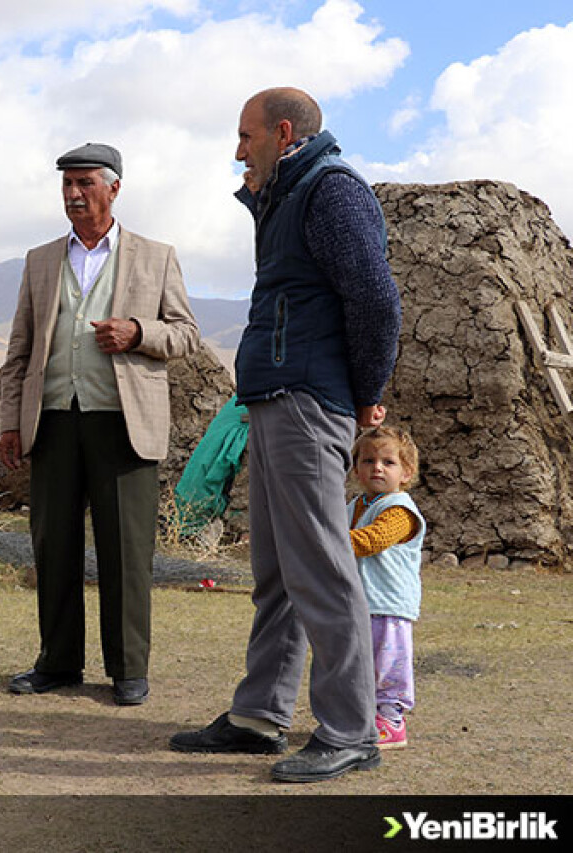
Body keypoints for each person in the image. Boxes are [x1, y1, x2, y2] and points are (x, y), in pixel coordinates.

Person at [169, 88, 403, 783]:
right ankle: (259, 716)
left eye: (245, 136)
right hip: (273, 398)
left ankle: (350, 729)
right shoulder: (287, 196)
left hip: (309, 399)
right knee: (276, 570)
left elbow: (376, 297)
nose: (238, 150)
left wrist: (365, 394)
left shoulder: (331, 191)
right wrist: (256, 197)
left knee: (321, 568)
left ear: (280, 131)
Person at [0, 143, 199, 706]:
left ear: (114, 187)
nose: (73, 194)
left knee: (126, 551)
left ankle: (128, 667)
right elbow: (19, 351)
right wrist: (10, 423)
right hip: (54, 419)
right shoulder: (40, 260)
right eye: (66, 185)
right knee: (53, 546)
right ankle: (57, 663)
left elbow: (185, 335)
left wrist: (138, 333)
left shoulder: (156, 256)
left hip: (123, 423)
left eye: (84, 183)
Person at [348, 426, 425, 751]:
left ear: (406, 472)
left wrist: (318, 540)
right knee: (358, 664)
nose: (376, 467)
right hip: (358, 603)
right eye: (368, 460)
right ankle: (360, 719)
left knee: (387, 666)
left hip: (388, 605)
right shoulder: (353, 506)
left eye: (388, 462)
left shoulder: (399, 510)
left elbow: (371, 541)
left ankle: (392, 721)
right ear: (355, 469)